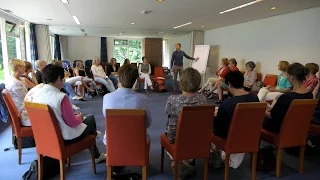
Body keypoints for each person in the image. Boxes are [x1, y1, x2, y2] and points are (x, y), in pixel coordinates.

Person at [28, 64, 106, 163]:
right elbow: (72, 123)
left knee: (87, 125)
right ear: (58, 79)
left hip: (44, 137)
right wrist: (80, 118)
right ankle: (96, 153)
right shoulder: (61, 97)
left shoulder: (35, 94)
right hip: (64, 138)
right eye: (63, 80)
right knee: (90, 119)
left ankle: (94, 137)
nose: (63, 83)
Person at [165, 67, 206, 179]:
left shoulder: (172, 100)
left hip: (176, 138)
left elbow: (168, 116)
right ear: (198, 83)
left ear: (181, 82)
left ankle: (180, 162)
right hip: (198, 138)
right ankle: (187, 160)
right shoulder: (203, 99)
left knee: (170, 122)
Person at [102, 64, 152, 146]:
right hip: (136, 140)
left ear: (119, 79)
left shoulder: (107, 97)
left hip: (113, 140)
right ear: (135, 81)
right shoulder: (143, 99)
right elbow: (147, 123)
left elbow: (106, 118)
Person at [263, 63, 313, 133]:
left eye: (287, 75)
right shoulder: (310, 95)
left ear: (292, 77)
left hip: (280, 129)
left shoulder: (286, 97)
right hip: (297, 129)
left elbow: (272, 116)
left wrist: (263, 108)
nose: (286, 77)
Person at [213, 70, 259, 139]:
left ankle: (216, 148)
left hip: (230, 137)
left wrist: (215, 114)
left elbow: (219, 124)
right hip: (250, 136)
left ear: (229, 84)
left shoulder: (228, 102)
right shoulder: (254, 97)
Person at [5, 59, 30, 126]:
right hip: (23, 114)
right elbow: (26, 98)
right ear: (18, 67)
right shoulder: (15, 83)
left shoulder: (18, 79)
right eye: (23, 66)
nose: (25, 68)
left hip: (24, 108)